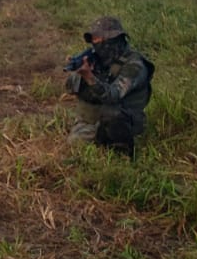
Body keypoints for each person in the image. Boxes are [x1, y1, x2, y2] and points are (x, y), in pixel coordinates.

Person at [64, 15, 153, 159]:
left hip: (125, 122)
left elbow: (113, 95)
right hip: (92, 123)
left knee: (113, 115)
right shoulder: (97, 59)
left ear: (115, 40)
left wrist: (90, 77)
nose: (96, 44)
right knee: (75, 146)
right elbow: (70, 89)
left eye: (101, 40)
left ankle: (122, 156)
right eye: (94, 40)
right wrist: (80, 73)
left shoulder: (135, 65)